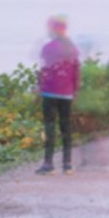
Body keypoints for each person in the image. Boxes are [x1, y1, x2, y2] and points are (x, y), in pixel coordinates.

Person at [36, 14, 81, 175]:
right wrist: (74, 90)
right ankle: (67, 164)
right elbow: (77, 72)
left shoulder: (48, 48)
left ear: (53, 28)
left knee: (50, 127)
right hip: (67, 93)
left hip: (49, 92)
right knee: (66, 127)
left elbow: (43, 70)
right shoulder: (73, 48)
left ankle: (49, 164)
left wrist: (38, 88)